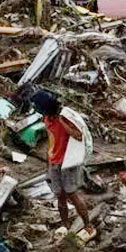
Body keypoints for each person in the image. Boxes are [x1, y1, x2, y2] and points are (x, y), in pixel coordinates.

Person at [33, 91, 94, 237]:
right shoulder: (46, 118)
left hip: (68, 161)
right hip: (54, 160)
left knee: (72, 194)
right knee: (59, 195)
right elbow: (51, 138)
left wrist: (61, 122)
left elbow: (78, 136)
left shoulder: (64, 117)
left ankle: (88, 224)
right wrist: (48, 159)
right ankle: (65, 224)